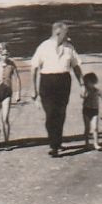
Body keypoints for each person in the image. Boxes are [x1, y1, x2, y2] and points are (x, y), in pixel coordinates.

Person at [30, 22, 84, 157]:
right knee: (50, 113)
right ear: (58, 33)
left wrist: (82, 85)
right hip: (47, 82)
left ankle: (57, 141)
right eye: (67, 33)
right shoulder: (44, 47)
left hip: (63, 81)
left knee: (61, 113)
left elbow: (76, 66)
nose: (68, 36)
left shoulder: (69, 47)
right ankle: (54, 144)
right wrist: (33, 89)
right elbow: (34, 67)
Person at [0, 43, 18, 145]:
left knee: (5, 118)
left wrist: (17, 93)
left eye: (7, 54)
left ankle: (6, 141)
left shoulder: (12, 64)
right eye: (2, 54)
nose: (5, 56)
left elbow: (17, 79)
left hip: (7, 93)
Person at [80, 72, 102, 151]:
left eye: (89, 82)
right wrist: (84, 92)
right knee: (87, 128)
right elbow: (82, 96)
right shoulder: (85, 90)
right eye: (86, 83)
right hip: (86, 110)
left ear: (93, 82)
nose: (87, 84)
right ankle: (86, 143)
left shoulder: (97, 91)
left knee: (95, 128)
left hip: (94, 110)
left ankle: (96, 143)